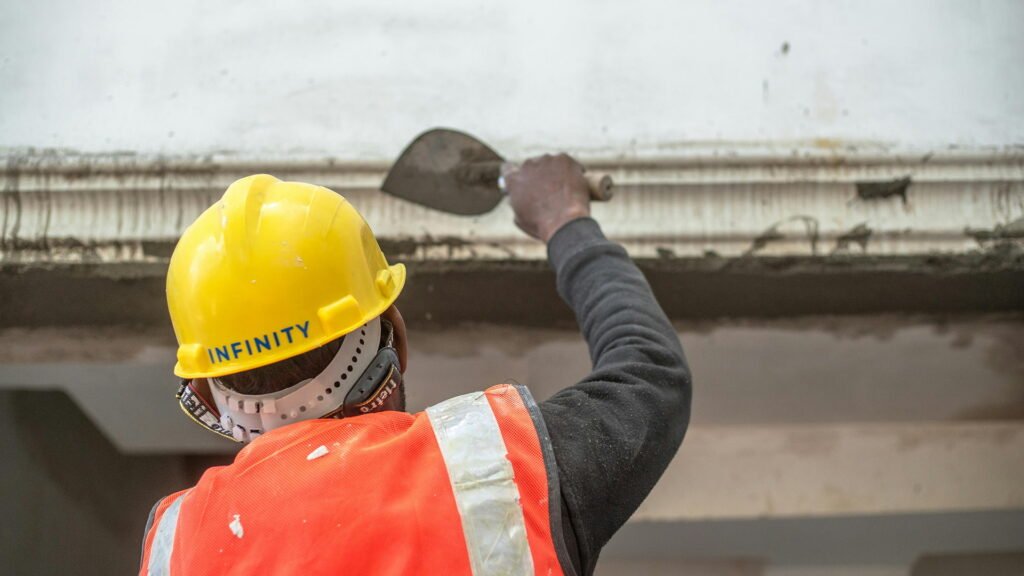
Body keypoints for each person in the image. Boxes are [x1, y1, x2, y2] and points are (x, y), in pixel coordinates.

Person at [139, 153, 692, 576]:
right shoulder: (493, 469)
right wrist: (566, 222)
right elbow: (650, 373)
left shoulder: (174, 545)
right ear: (391, 340)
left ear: (206, 393)